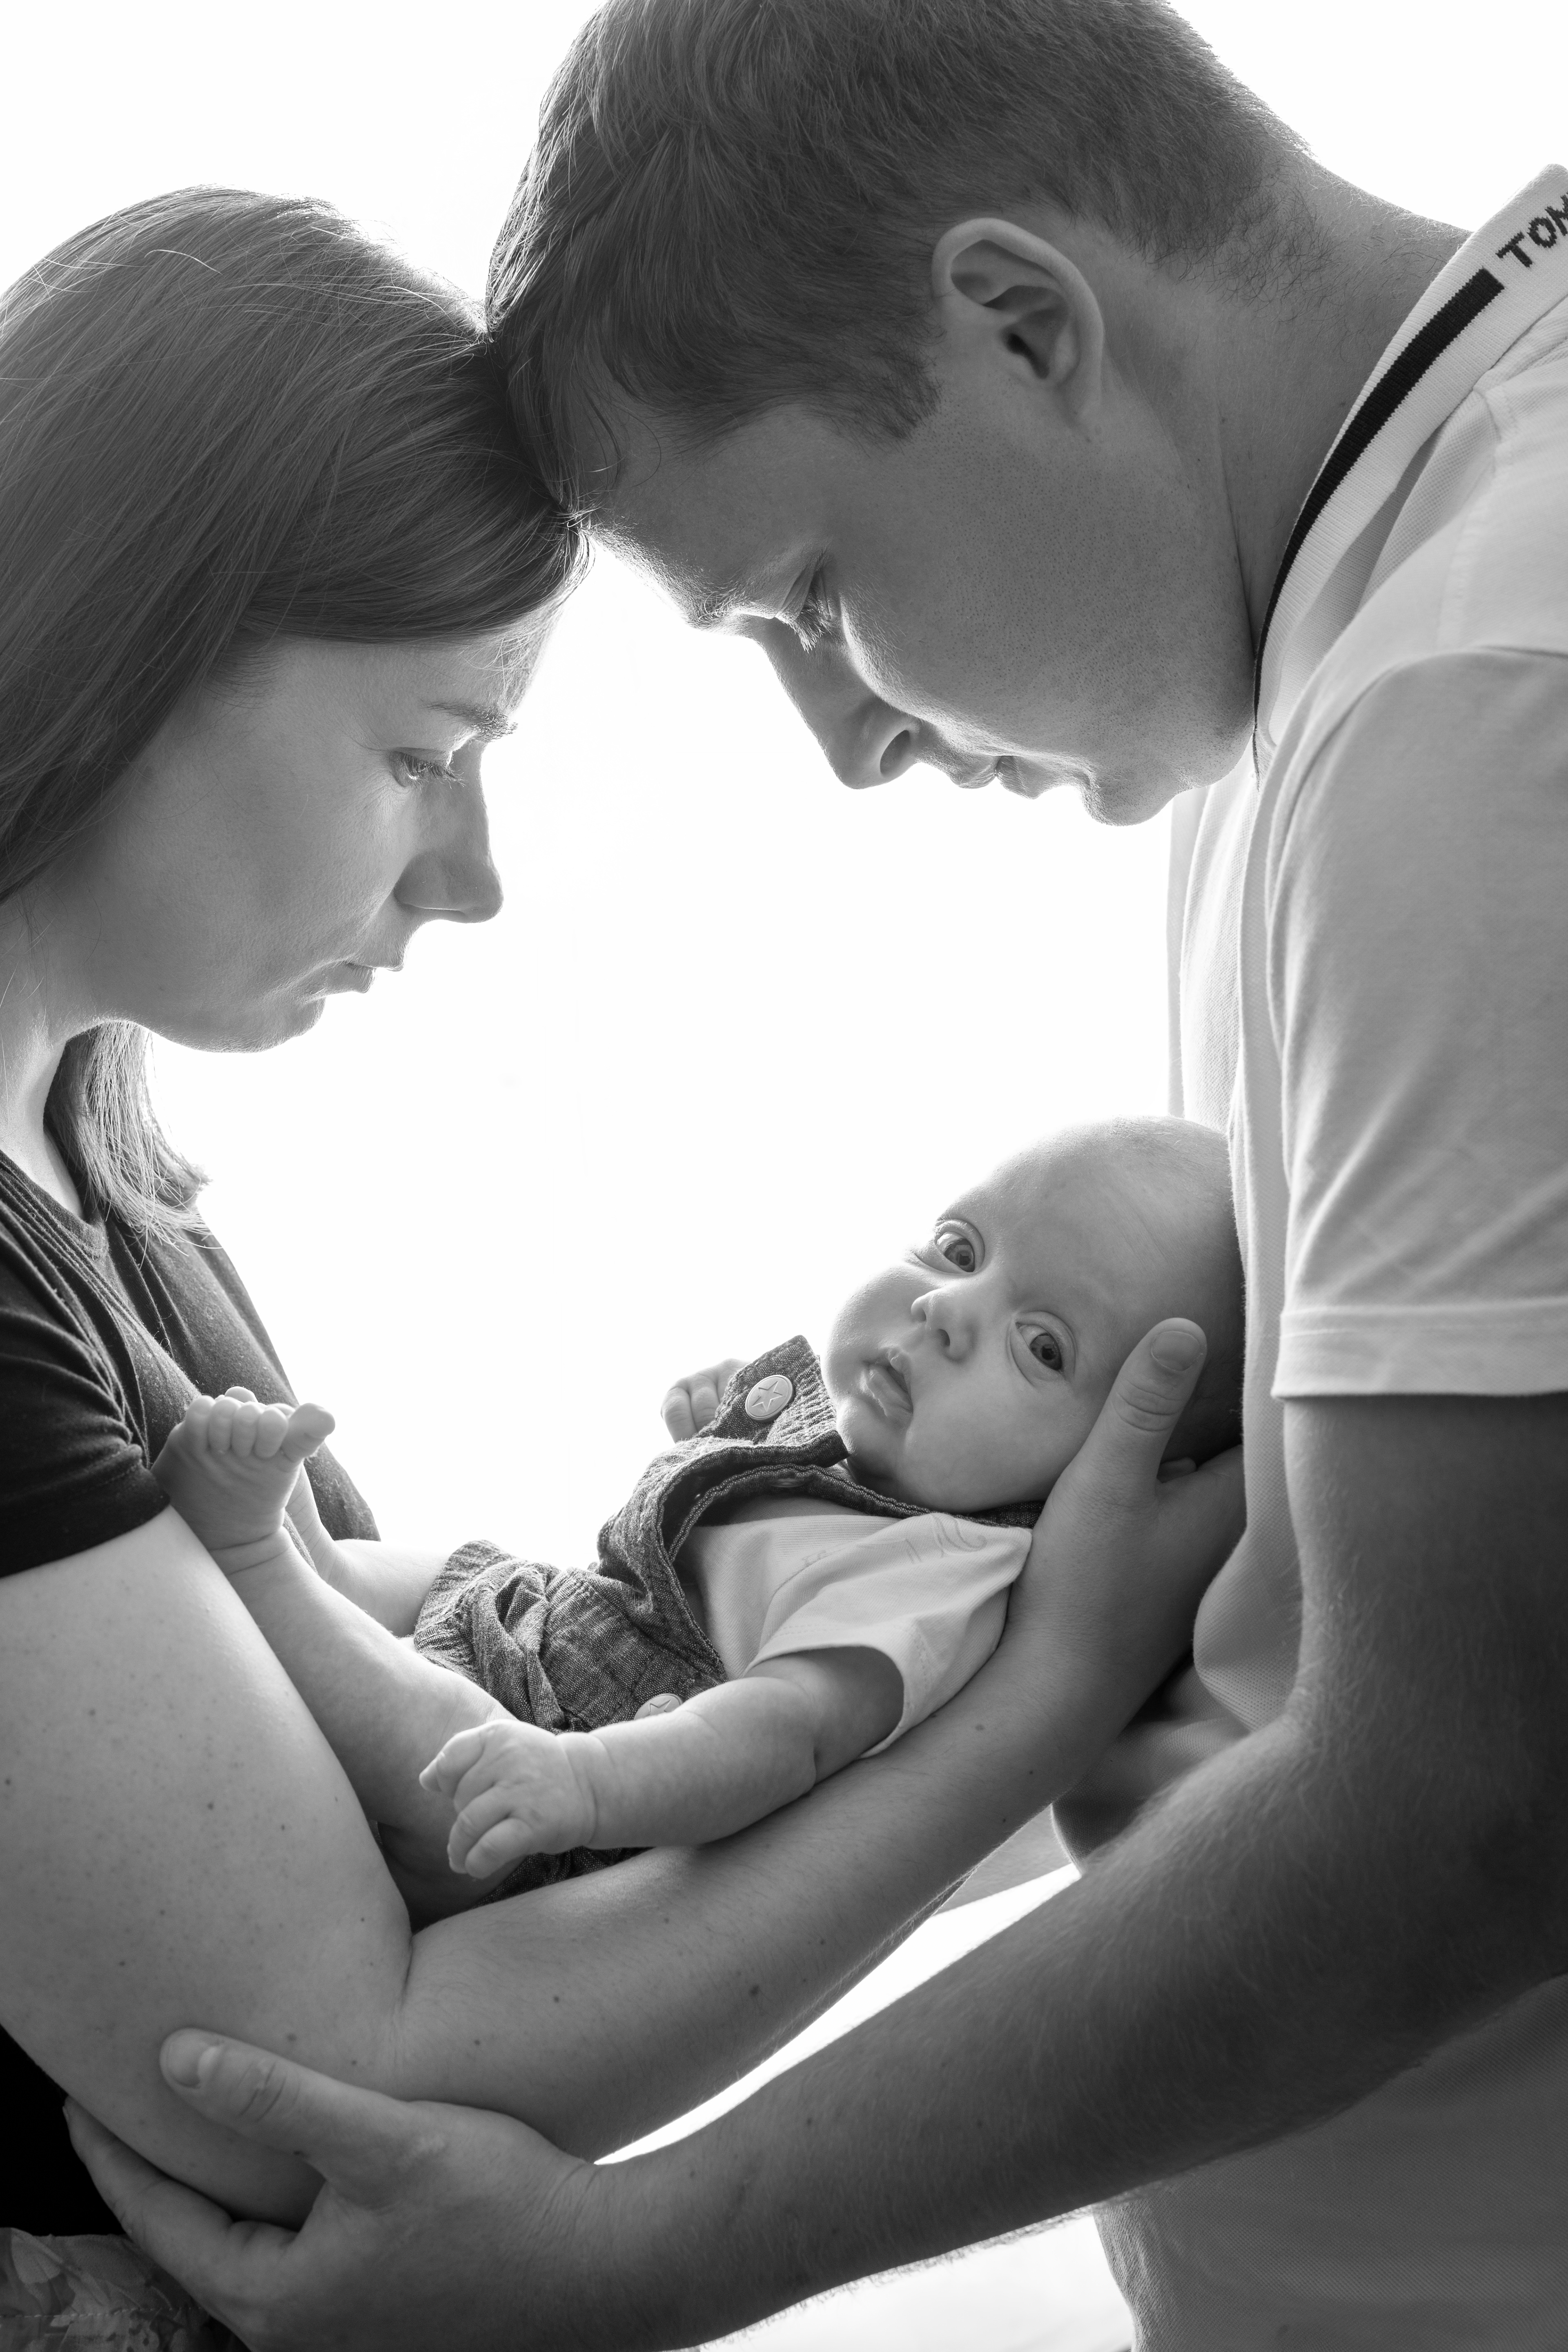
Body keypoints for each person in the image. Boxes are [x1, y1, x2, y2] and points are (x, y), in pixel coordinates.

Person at [80, 2, 1568, 2346]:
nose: (851, 741)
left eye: (808, 593)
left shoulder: (1471, 699)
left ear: (1024, 323)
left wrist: (632, 2258)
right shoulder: (1365, 633)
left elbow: (1465, 1807)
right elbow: (1295, 1658)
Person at [0, 176, 1240, 2341]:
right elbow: (327, 2087)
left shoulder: (92, 1155)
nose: (472, 877)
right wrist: (1036, 1701)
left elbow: (282, 1656)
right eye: (423, 756)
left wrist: (843, 1618)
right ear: (127, 643)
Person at [151, 1120, 1243, 1886]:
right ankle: (333, 1573)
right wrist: (710, 1438)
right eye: (959, 1249)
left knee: (444, 1744)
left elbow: (783, 1733)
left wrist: (585, 1784)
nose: (948, 1309)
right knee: (471, 1565)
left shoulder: (936, 1578)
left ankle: (262, 1565)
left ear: (1128, 1465)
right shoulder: (858, 1458)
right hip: (536, 1638)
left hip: (551, 1800)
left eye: (1042, 1346)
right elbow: (705, 1551)